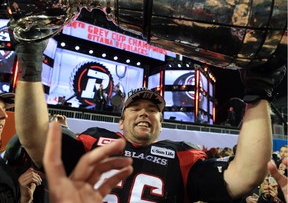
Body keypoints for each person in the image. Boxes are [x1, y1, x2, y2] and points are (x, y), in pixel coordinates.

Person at [13, 39, 287, 202]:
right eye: (136, 108)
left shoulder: (182, 156)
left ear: (160, 122)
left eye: (153, 109)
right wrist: (30, 61)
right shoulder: (91, 141)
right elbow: (34, 136)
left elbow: (245, 175)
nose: (145, 112)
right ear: (120, 122)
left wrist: (258, 93)